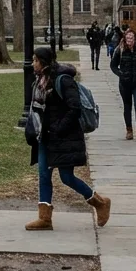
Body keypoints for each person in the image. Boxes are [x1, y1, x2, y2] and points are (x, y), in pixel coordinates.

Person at [24, 45, 111, 231]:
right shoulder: (39, 81)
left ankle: (100, 203)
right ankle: (44, 218)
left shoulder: (63, 80)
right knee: (44, 175)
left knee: (66, 177)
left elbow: (75, 108)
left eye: (35, 60)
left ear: (44, 62)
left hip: (63, 137)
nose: (33, 64)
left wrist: (58, 128)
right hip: (44, 137)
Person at [109, 28, 136, 141]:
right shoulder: (120, 49)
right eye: (127, 38)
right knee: (127, 107)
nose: (129, 40)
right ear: (125, 39)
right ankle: (129, 130)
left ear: (135, 38)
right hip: (125, 83)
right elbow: (113, 65)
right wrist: (120, 74)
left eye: (131, 38)